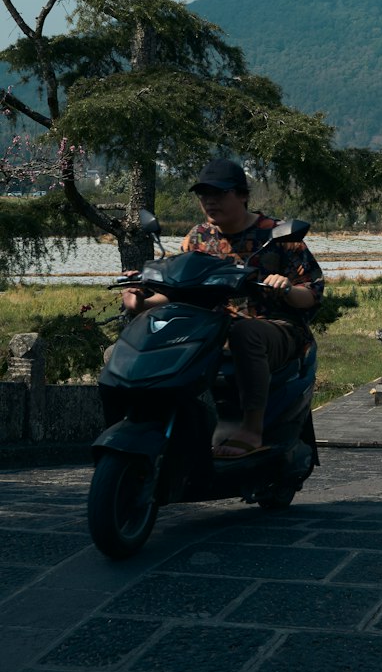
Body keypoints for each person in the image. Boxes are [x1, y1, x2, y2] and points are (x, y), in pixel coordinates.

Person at [123, 158, 324, 460]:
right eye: (204, 195)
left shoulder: (277, 235)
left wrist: (286, 288)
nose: (209, 201)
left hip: (274, 327)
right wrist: (141, 302)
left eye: (219, 193)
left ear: (242, 195)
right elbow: (177, 293)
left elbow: (312, 291)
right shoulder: (198, 238)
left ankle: (251, 429)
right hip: (209, 329)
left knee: (245, 332)